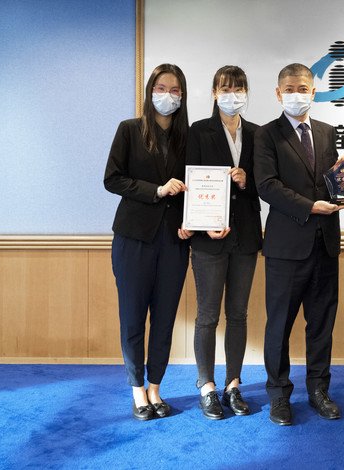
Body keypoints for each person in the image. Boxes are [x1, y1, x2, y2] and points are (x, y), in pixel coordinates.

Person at [254, 63, 344, 426]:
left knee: (321, 323)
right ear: (278, 94)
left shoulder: (326, 132)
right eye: (289, 88)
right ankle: (278, 395)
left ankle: (319, 390)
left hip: (326, 245)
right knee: (279, 324)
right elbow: (267, 185)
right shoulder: (265, 135)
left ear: (314, 91)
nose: (297, 93)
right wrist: (309, 206)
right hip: (286, 247)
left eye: (303, 87)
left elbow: (330, 186)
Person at [104, 63, 191, 421]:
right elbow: (112, 179)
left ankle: (156, 386)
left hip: (175, 239)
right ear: (149, 91)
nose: (167, 95)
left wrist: (193, 222)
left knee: (166, 316)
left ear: (182, 96)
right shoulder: (130, 130)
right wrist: (155, 190)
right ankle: (137, 389)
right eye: (161, 87)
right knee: (133, 316)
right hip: (134, 238)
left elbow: (200, 187)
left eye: (174, 90)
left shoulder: (190, 137)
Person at [186, 66, 262, 420]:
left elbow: (270, 186)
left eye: (239, 87)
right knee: (207, 315)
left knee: (239, 314)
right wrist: (201, 226)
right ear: (215, 91)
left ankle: (233, 384)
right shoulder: (198, 131)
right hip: (208, 240)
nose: (233, 93)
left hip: (245, 237)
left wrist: (248, 181)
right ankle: (206, 386)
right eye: (226, 87)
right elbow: (189, 184)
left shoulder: (259, 134)